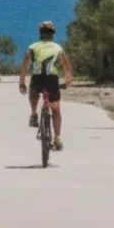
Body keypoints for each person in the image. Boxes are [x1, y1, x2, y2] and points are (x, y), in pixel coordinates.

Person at [19, 20, 74, 150]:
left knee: (33, 92)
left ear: (40, 33)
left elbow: (25, 65)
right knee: (55, 110)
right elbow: (66, 67)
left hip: (37, 79)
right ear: (53, 34)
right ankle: (57, 138)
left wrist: (21, 82)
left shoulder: (32, 47)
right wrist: (67, 82)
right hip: (52, 80)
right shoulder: (58, 48)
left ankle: (33, 113)